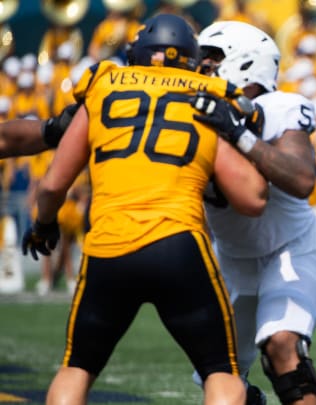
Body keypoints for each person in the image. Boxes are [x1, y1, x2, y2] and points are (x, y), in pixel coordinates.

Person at [21, 14, 269, 405]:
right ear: (190, 56)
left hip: (108, 245)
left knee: (78, 366)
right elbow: (253, 198)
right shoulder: (206, 93)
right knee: (221, 372)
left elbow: (52, 184)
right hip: (178, 244)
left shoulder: (103, 85)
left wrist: (44, 224)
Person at [191, 21, 316, 405]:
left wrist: (238, 133)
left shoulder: (280, 107)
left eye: (211, 59)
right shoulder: (189, 110)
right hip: (231, 259)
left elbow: (302, 179)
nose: (200, 68)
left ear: (247, 63)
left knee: (283, 348)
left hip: (291, 248)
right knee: (220, 380)